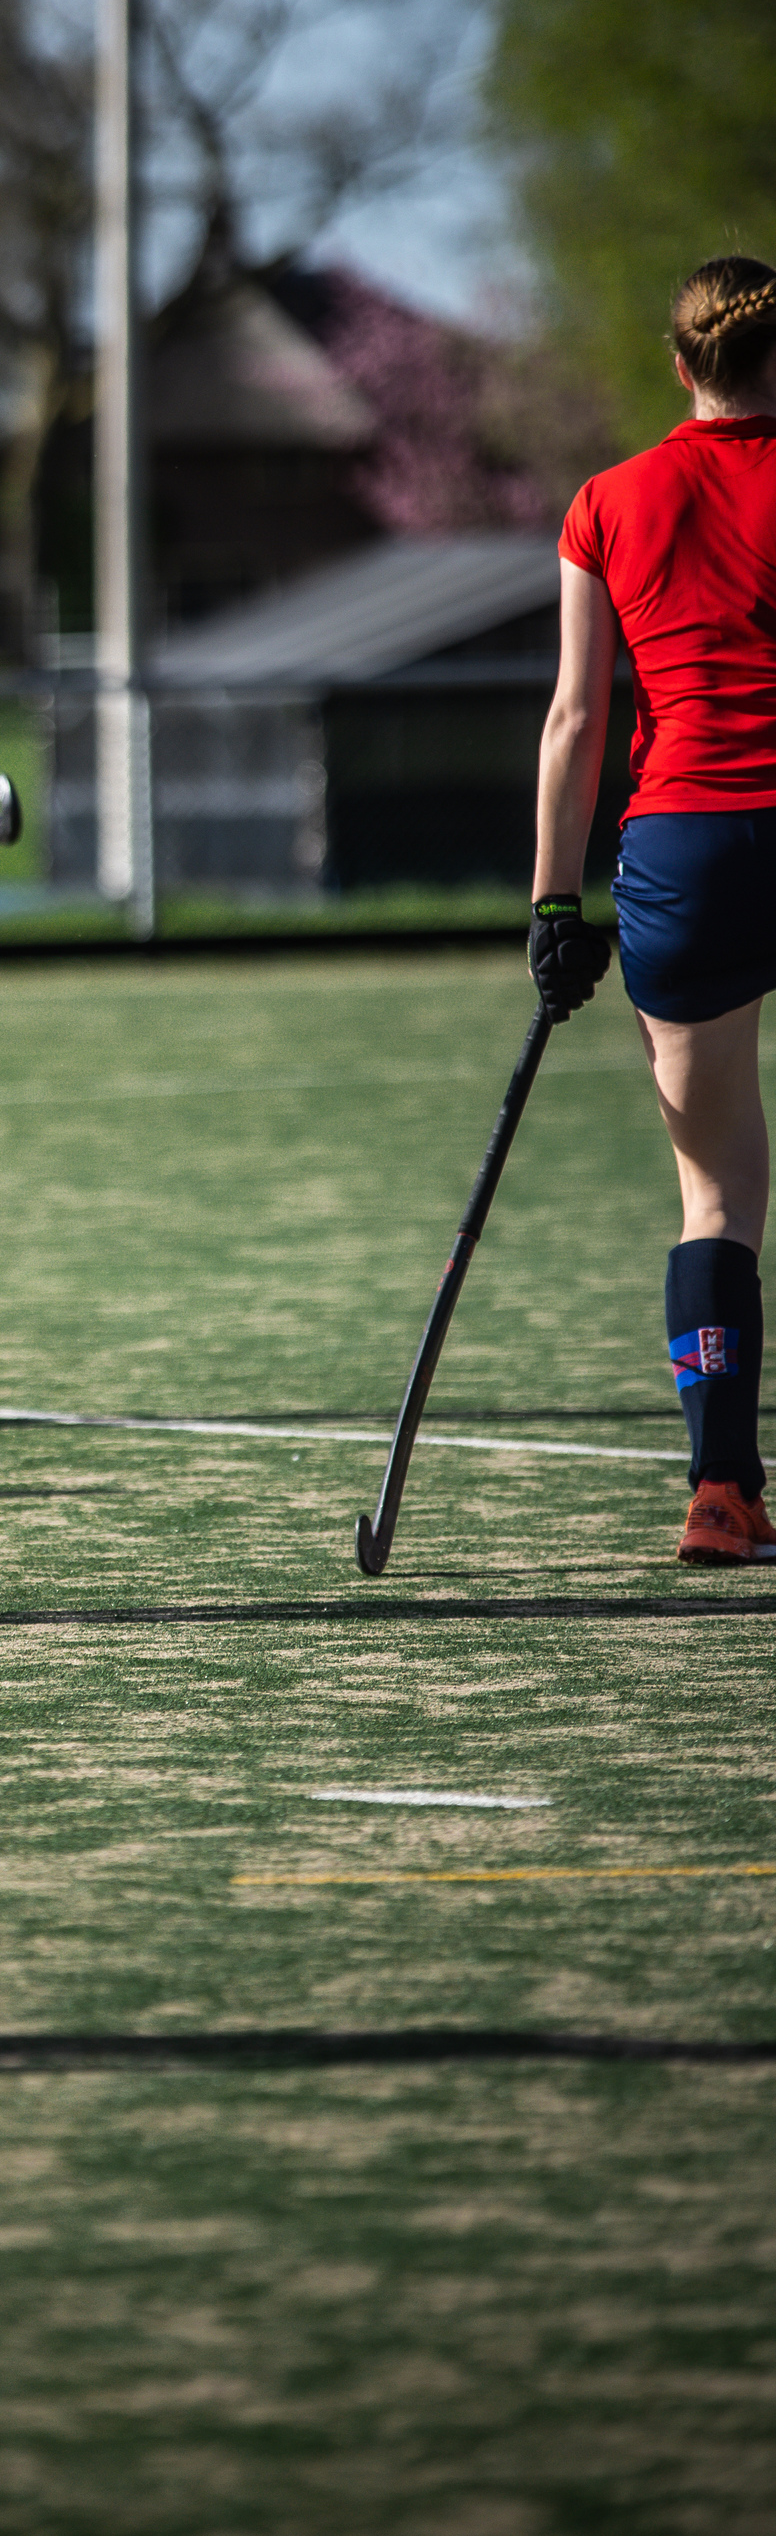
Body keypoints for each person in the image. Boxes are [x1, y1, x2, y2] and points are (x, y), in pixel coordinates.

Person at [532, 254, 776, 1564]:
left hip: (682, 850)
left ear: (681, 367)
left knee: (717, 1190)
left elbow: (578, 718)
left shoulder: (608, 499)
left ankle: (721, 1492)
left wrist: (550, 903)